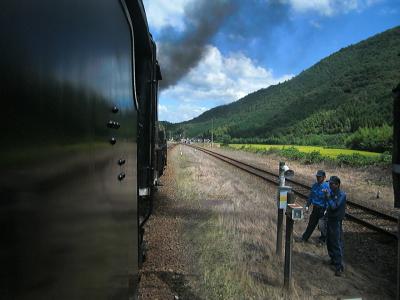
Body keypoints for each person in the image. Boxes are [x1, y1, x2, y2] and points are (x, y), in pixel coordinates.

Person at [298, 170, 330, 245]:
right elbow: (311, 197)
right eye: (317, 177)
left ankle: (322, 241)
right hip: (315, 208)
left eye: (320, 177)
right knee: (311, 224)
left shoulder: (327, 187)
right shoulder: (315, 186)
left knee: (322, 226)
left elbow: (329, 199)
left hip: (323, 209)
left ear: (324, 177)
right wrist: (307, 205)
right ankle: (304, 238)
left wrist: (327, 209)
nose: (318, 178)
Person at [324, 176, 347, 277]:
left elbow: (334, 207)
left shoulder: (342, 195)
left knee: (336, 243)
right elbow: (329, 207)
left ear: (337, 185)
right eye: (329, 183)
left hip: (336, 222)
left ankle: (339, 267)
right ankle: (333, 259)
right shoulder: (332, 193)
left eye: (332, 184)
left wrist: (328, 197)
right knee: (329, 241)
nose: (330, 185)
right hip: (330, 220)